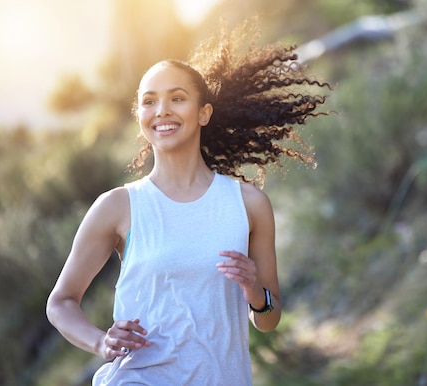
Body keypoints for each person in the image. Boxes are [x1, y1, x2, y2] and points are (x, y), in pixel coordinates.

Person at [46, 25, 330, 385]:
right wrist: (100, 341)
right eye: (149, 101)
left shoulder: (249, 204)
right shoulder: (118, 206)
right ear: (140, 116)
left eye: (177, 98)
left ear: (203, 113)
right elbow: (61, 302)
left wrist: (255, 292)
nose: (161, 110)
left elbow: (269, 318)